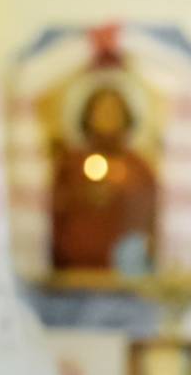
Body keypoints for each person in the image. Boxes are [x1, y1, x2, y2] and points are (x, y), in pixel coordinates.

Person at [49, 83, 158, 276]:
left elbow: (148, 218)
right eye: (100, 110)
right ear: (88, 115)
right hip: (74, 275)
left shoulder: (139, 167)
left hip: (126, 274)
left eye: (114, 110)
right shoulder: (70, 164)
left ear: (126, 116)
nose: (107, 116)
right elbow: (56, 214)